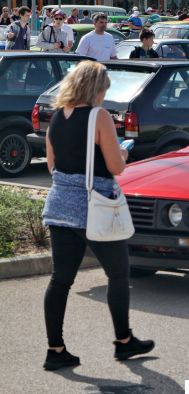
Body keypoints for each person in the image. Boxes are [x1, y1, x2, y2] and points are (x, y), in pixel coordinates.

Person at [41, 61, 154, 371]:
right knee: (118, 274)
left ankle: (55, 349)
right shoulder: (98, 116)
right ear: (96, 88)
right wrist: (124, 152)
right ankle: (124, 341)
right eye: (104, 88)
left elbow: (52, 166)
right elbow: (116, 167)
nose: (106, 93)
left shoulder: (56, 118)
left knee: (60, 280)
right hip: (95, 208)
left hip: (60, 207)